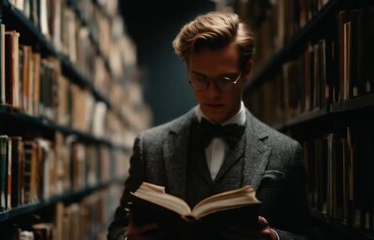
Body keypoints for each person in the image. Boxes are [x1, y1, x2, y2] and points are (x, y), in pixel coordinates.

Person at [107, 11, 314, 240]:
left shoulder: (285, 151)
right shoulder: (149, 147)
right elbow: (117, 229)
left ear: (246, 70)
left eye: (225, 80)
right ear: (187, 71)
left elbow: (305, 233)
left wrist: (274, 237)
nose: (213, 93)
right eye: (200, 79)